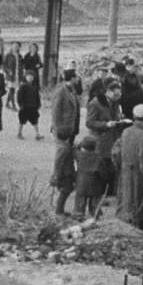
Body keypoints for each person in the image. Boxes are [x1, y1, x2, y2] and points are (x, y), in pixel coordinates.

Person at [114, 103, 143, 227]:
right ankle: (139, 223)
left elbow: (116, 151)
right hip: (138, 173)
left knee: (125, 195)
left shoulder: (126, 131)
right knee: (139, 198)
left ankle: (125, 219)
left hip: (125, 169)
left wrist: (120, 166)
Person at [49, 71, 82, 216]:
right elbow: (55, 112)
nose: (78, 78)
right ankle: (56, 178)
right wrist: (60, 129)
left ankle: (60, 208)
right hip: (63, 131)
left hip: (70, 131)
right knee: (63, 157)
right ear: (72, 78)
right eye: (76, 76)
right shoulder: (61, 91)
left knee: (67, 164)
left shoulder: (70, 90)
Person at [86, 81, 125, 200]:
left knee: (111, 167)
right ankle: (98, 194)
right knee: (101, 167)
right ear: (108, 92)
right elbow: (89, 122)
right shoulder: (95, 103)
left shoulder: (115, 103)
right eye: (115, 95)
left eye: (119, 95)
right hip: (101, 140)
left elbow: (115, 114)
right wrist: (106, 124)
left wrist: (120, 118)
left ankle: (108, 193)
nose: (118, 97)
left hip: (113, 139)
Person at [74, 135, 103, 220]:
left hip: (81, 183)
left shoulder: (79, 155)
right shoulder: (98, 157)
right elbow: (103, 172)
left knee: (80, 202)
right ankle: (95, 215)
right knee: (94, 202)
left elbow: (75, 148)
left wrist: (79, 145)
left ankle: (79, 215)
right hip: (95, 184)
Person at [16, 70, 42, 139]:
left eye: (31, 76)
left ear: (33, 78)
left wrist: (39, 104)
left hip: (33, 107)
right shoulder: (23, 86)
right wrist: (20, 105)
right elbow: (19, 96)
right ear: (25, 77)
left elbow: (37, 96)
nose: (30, 78)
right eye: (28, 76)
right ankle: (19, 133)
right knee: (22, 121)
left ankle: (37, 134)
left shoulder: (35, 87)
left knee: (35, 120)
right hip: (25, 107)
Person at [2, 41, 21, 111]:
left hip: (17, 74)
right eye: (14, 46)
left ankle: (7, 103)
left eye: (17, 46)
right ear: (12, 47)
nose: (15, 47)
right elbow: (4, 65)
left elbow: (21, 65)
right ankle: (13, 105)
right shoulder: (8, 55)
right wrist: (7, 71)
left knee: (12, 90)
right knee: (11, 89)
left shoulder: (19, 55)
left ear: (19, 47)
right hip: (10, 75)